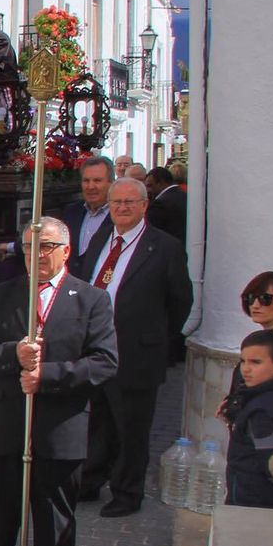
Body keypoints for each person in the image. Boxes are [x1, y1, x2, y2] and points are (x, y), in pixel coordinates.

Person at [0, 218, 117, 546]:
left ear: (66, 250)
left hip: (59, 425)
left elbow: (104, 362)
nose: (38, 255)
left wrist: (48, 376)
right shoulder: (1, 295)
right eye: (30, 247)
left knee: (55, 516)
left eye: (47, 246)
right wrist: (12, 353)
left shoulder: (91, 299)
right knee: (0, 512)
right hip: (6, 421)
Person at [72, 178, 193, 517]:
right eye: (116, 202)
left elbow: (180, 301)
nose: (122, 208)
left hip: (137, 353)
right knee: (97, 421)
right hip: (95, 350)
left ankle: (127, 492)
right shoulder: (101, 240)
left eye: (129, 202)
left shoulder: (164, 247)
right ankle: (91, 480)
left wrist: (155, 338)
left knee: (131, 428)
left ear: (144, 206)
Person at [225, 330, 273, 509]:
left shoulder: (261, 411)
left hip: (257, 501)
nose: (245, 369)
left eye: (255, 362)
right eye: (243, 361)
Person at [219, 271, 273, 428]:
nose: (255, 305)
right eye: (250, 298)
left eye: (265, 299)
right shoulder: (265, 338)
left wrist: (240, 403)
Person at [60, 156, 116, 262]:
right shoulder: (71, 212)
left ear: (111, 183)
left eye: (97, 181)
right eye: (86, 181)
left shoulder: (119, 215)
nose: (90, 186)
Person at [144, 165, 187, 242]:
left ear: (161, 183)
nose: (147, 190)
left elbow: (147, 231)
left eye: (149, 186)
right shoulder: (185, 196)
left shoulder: (159, 205)